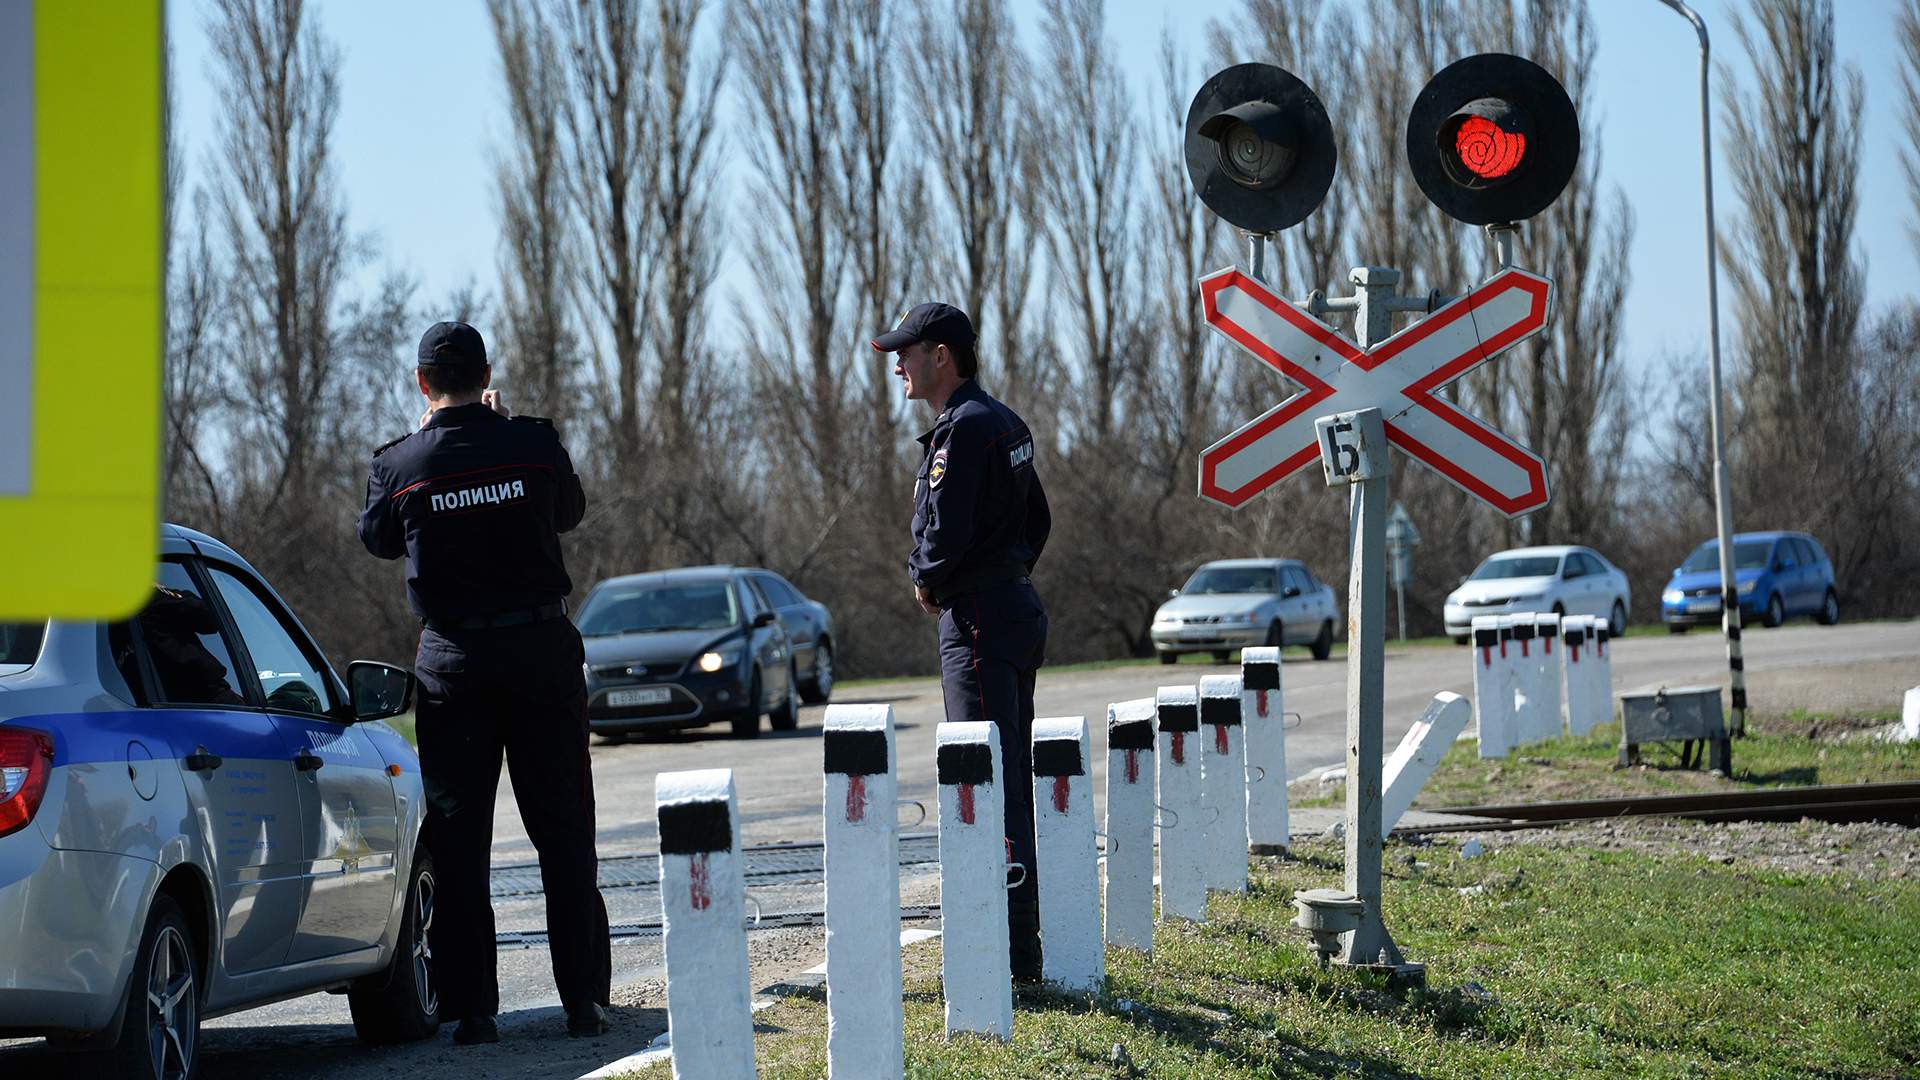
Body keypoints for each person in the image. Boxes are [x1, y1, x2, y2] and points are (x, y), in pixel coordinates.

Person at [358, 321, 611, 1044]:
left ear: (421, 383)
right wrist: (500, 431)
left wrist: (425, 443)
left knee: (462, 842)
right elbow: (569, 511)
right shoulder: (533, 443)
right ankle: (583, 999)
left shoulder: (400, 464)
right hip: (541, 655)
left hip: (454, 667)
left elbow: (377, 539)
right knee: (564, 832)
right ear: (486, 373)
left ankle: (473, 1010)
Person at [871, 302, 1051, 980]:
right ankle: (1020, 949)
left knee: (985, 782)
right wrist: (1007, 572)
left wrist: (928, 581)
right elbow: (1038, 521)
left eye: (906, 353)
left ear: (939, 356)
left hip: (976, 617)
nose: (897, 365)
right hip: (1011, 606)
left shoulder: (964, 430)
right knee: (1009, 780)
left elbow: (942, 535)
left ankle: (1003, 956)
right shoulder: (1003, 420)